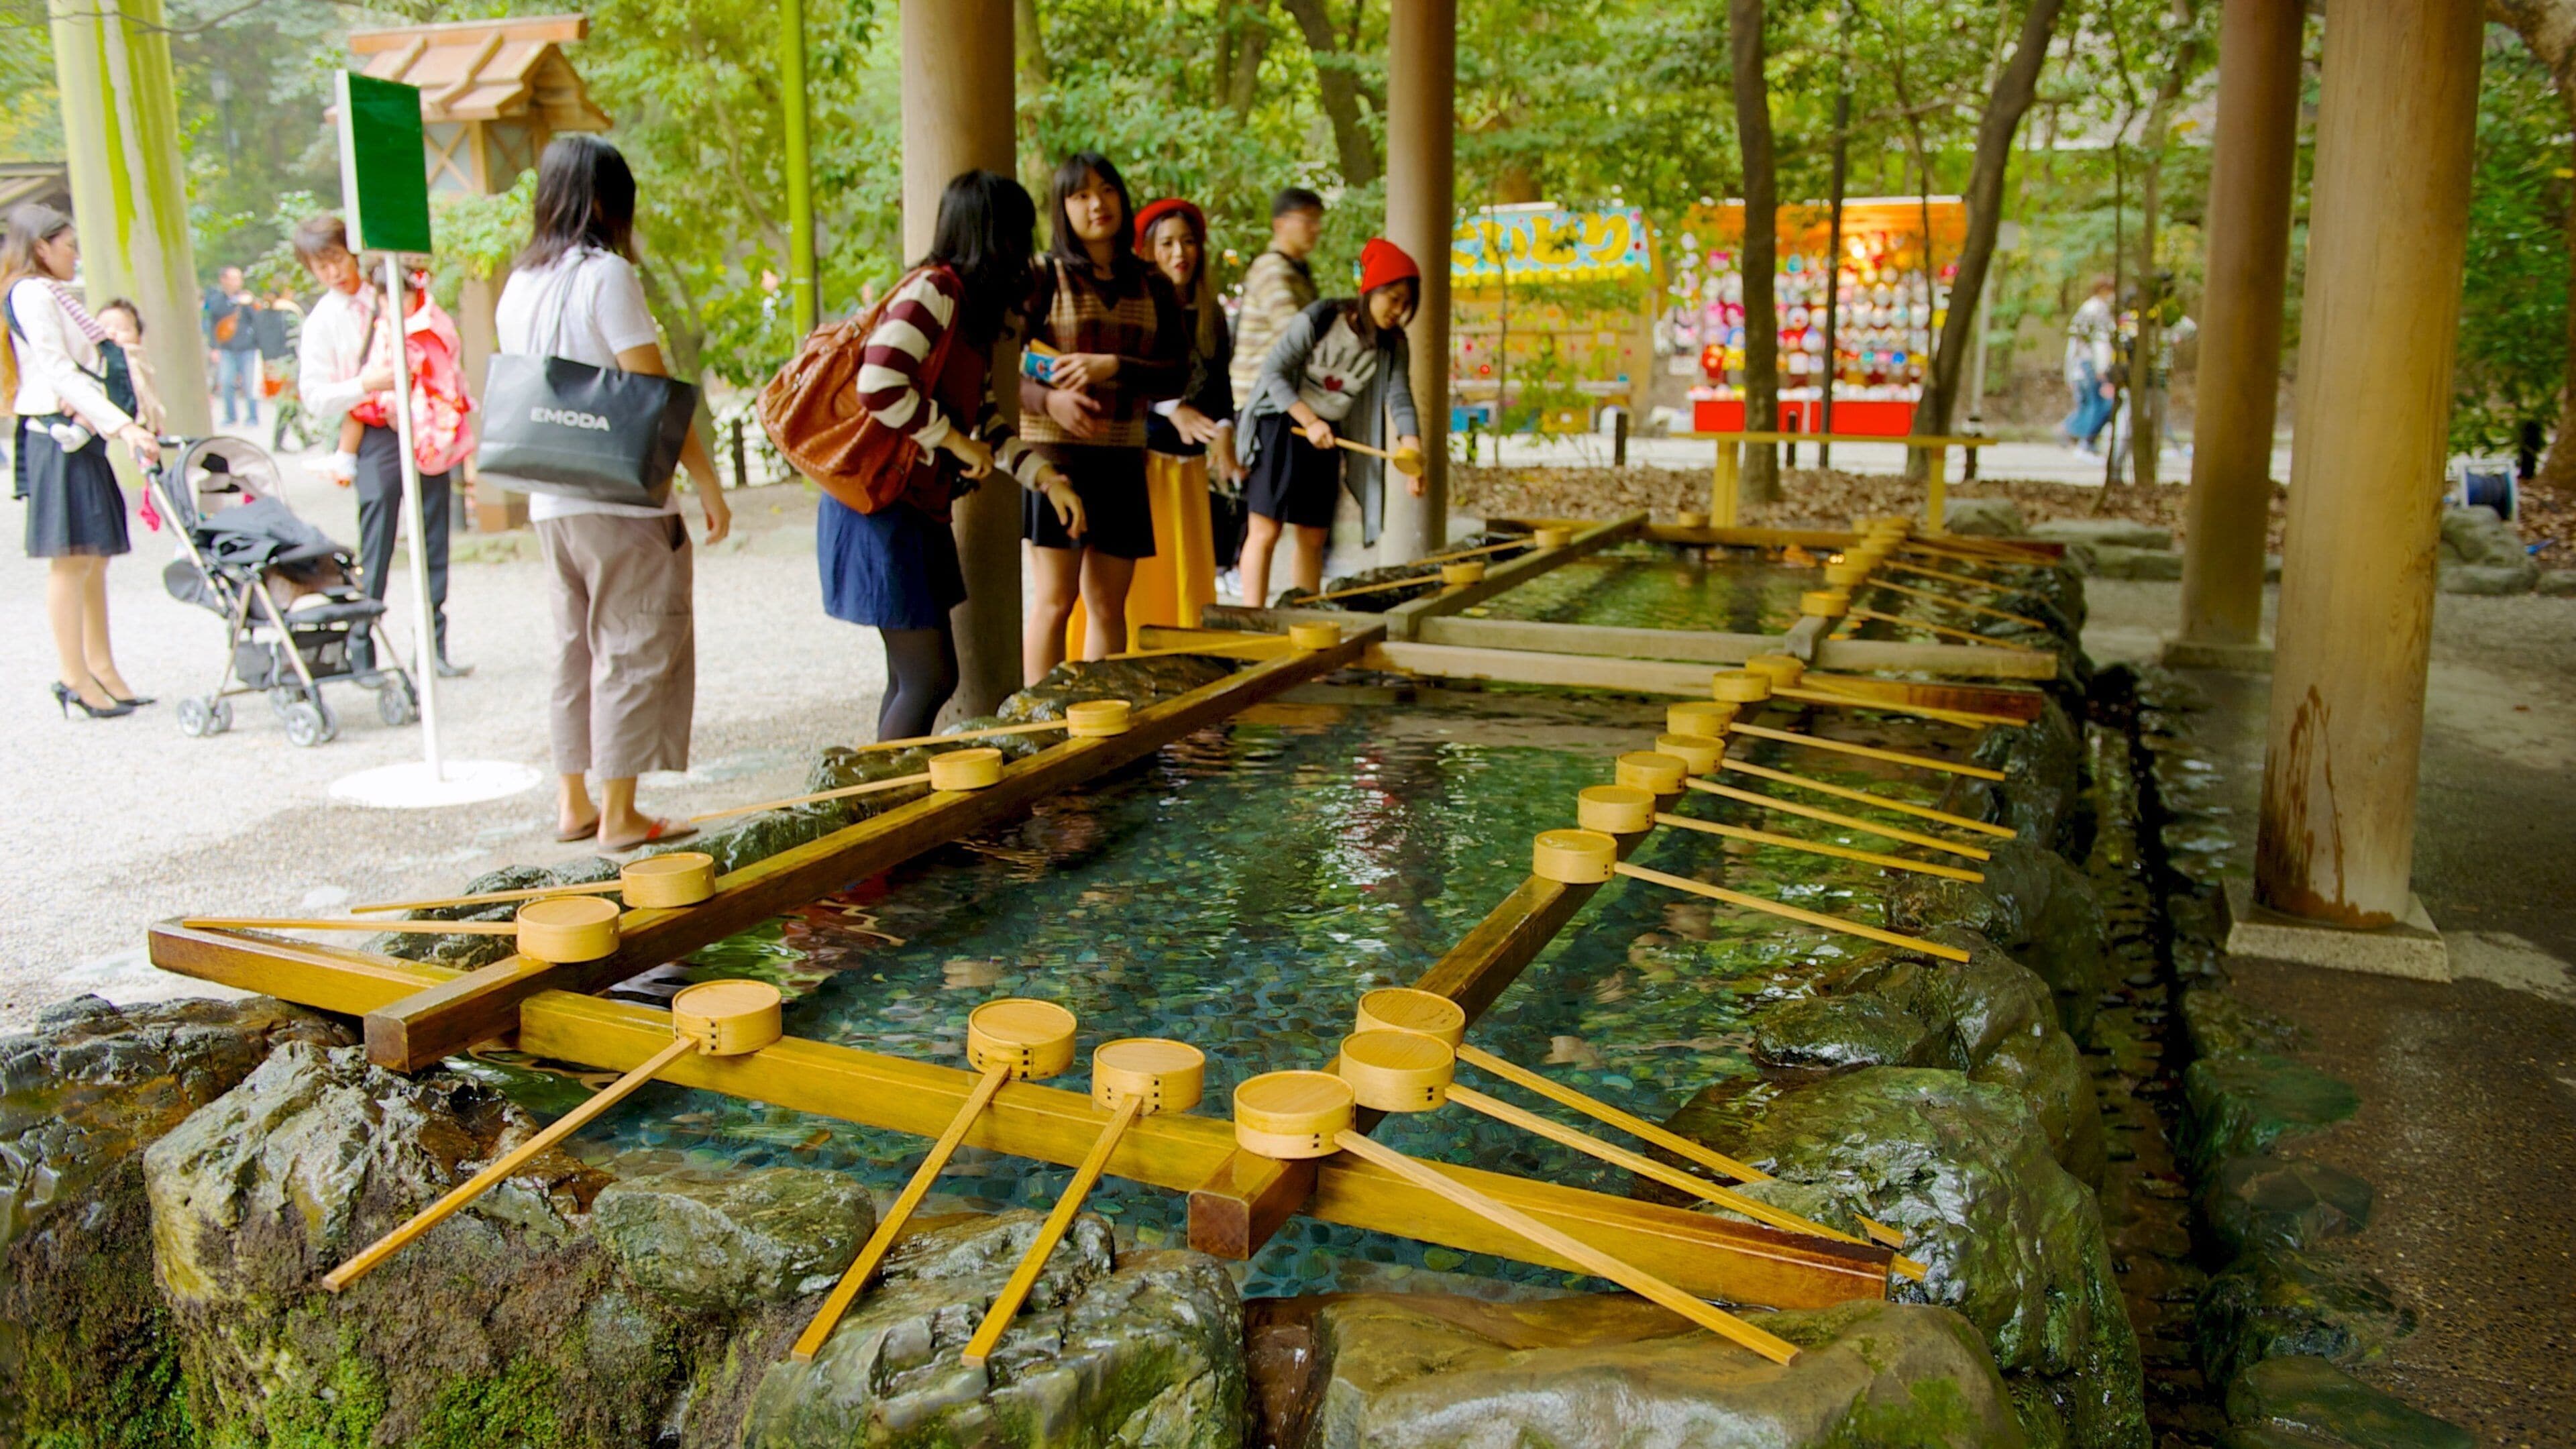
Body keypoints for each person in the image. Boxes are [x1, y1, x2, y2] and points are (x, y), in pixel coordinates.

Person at [495, 133, 731, 851]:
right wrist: (707, 480)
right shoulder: (606, 276)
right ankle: (622, 813)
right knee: (633, 640)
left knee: (575, 647)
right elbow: (653, 392)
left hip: (551, 497)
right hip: (621, 500)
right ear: (606, 200)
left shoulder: (520, 280)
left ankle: (575, 804)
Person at [832, 168, 1085, 741]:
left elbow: (987, 424)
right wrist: (950, 439)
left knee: (918, 678)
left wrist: (1047, 478)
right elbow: (879, 384)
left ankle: (897, 803)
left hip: (913, 508)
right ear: (996, 235)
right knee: (927, 678)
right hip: (882, 507)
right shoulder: (934, 290)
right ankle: (897, 810)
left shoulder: (967, 312)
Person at [1016, 151, 1187, 681]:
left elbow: (1176, 375)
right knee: (1055, 600)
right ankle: (1036, 721)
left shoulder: (1153, 283)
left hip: (1122, 456)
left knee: (1110, 606)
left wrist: (1114, 365)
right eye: (1081, 194)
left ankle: (1096, 717)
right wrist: (1051, 400)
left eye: (1107, 190)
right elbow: (1004, 367)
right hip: (1054, 457)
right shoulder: (1041, 277)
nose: (1097, 204)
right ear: (1062, 207)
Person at [1, 203, 161, 719]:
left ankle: (102, 667)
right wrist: (125, 424)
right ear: (41, 246)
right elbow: (59, 369)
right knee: (71, 560)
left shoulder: (52, 294)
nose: (75, 255)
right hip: (58, 435)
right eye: (68, 245)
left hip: (81, 431)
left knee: (93, 555)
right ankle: (75, 675)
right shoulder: (30, 293)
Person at [293, 215, 467, 680]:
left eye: (335, 259)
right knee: (377, 541)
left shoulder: (388, 289)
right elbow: (314, 396)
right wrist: (362, 384)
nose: (332, 272)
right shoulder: (324, 321)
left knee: (433, 534)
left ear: (351, 252)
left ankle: (434, 647)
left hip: (423, 424)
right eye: (319, 266)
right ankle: (362, 647)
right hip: (373, 431)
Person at [1236, 238, 1426, 608]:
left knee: (1313, 534)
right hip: (1283, 421)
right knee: (1266, 529)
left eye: (1406, 303)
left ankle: (1306, 615)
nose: (1398, 311)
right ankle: (1251, 617)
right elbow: (1273, 371)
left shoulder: (1393, 344)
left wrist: (1412, 447)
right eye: (1393, 298)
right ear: (1371, 288)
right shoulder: (1321, 317)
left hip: (1328, 433)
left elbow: (1399, 396)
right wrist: (1308, 419)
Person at [1131, 196, 1234, 637]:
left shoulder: (1211, 313)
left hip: (1191, 467)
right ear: (1148, 250)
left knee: (1190, 569)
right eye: (1167, 243)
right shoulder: (1139, 308)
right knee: (1145, 573)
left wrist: (1226, 432)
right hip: (1146, 461)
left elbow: (1220, 384)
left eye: (1188, 242)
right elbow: (1127, 380)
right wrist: (1173, 409)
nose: (1180, 253)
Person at [1228, 186, 1324, 411]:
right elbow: (1293, 332)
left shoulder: (1296, 270)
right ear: (1280, 224)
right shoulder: (1272, 268)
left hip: (1278, 398)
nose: (1316, 229)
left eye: (1317, 221)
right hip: (1260, 399)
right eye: (1308, 220)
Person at [2059, 276, 2116, 455]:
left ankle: (2076, 434)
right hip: (2090, 363)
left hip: (2087, 363)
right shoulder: (2095, 310)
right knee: (2100, 405)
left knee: (2091, 405)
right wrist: (2101, 367)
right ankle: (2079, 437)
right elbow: (2098, 342)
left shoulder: (2094, 309)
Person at [95, 299, 166, 435]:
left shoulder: (136, 361)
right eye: (103, 328)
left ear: (138, 337)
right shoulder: (91, 361)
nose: (112, 333)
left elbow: (149, 394)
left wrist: (155, 421)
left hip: (137, 422)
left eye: (122, 329)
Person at [205, 264, 261, 426]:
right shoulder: (217, 300)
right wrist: (214, 347)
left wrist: (248, 304)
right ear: (224, 280)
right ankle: (230, 416)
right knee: (227, 382)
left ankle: (252, 416)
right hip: (226, 348)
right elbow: (213, 323)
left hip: (247, 347)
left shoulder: (247, 299)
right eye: (234, 278)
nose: (238, 282)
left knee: (250, 384)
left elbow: (257, 319)